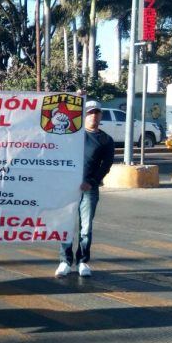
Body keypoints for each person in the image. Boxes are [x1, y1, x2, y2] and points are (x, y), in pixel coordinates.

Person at [55, 100, 115, 278]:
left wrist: (93, 181)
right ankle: (64, 261)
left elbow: (106, 165)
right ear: (84, 115)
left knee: (85, 228)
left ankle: (82, 262)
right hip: (68, 188)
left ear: (101, 115)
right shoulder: (72, 135)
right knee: (66, 225)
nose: (93, 116)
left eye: (97, 113)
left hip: (89, 189)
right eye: (90, 113)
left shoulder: (106, 140)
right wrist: (76, 98)